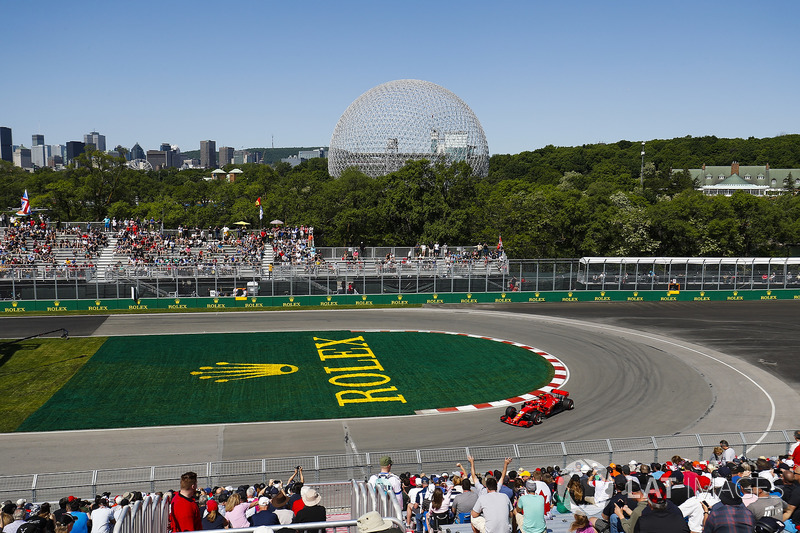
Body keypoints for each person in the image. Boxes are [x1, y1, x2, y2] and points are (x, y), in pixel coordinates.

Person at [470, 458, 513, 533]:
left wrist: (472, 462)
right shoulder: (504, 495)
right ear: (496, 487)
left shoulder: (482, 492)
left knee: (472, 517)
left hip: (489, 529)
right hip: (505, 530)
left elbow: (474, 477)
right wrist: (506, 464)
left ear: (487, 487)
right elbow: (502, 477)